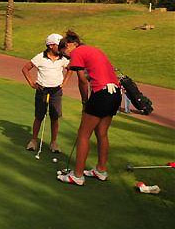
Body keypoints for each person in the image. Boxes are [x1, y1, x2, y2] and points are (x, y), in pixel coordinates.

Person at [57, 30, 122, 186]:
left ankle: (77, 175)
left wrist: (85, 102)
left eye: (65, 54)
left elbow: (82, 81)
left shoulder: (77, 52)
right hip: (115, 93)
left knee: (83, 134)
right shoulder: (93, 50)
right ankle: (101, 170)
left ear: (69, 45)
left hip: (102, 94)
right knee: (101, 133)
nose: (67, 57)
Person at [21, 33, 73, 153]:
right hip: (42, 90)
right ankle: (34, 140)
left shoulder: (63, 58)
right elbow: (25, 68)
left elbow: (71, 68)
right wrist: (31, 83)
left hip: (56, 91)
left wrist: (65, 81)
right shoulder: (40, 57)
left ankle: (53, 142)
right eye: (58, 45)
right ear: (50, 46)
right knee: (39, 116)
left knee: (55, 117)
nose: (61, 48)